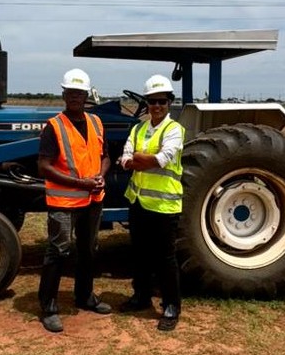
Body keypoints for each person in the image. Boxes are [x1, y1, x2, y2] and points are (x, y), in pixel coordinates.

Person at [36, 68, 112, 333]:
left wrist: (101, 176)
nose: (75, 98)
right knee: (58, 252)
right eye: (71, 93)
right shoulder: (54, 127)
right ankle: (48, 307)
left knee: (89, 250)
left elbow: (105, 156)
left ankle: (85, 296)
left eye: (79, 93)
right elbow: (44, 167)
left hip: (93, 199)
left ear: (86, 95)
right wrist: (82, 184)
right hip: (64, 203)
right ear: (64, 94)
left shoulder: (96, 122)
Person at [119, 74, 185, 331]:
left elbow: (163, 159)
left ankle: (171, 306)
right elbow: (124, 159)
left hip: (164, 206)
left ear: (169, 103)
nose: (157, 106)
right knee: (140, 254)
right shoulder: (138, 128)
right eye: (152, 101)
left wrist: (138, 158)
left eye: (162, 101)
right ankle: (141, 296)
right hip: (138, 202)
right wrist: (137, 158)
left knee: (165, 258)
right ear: (146, 103)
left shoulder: (175, 130)